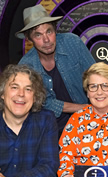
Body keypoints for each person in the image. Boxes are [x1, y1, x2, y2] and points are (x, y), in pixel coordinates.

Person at [15, 4, 95, 136]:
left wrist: (98, 106)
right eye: (38, 35)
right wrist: (85, 109)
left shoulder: (72, 42)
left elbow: (95, 75)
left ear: (55, 30)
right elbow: (44, 103)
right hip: (52, 130)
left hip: (88, 121)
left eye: (49, 32)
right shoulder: (25, 66)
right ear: (29, 39)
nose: (46, 40)